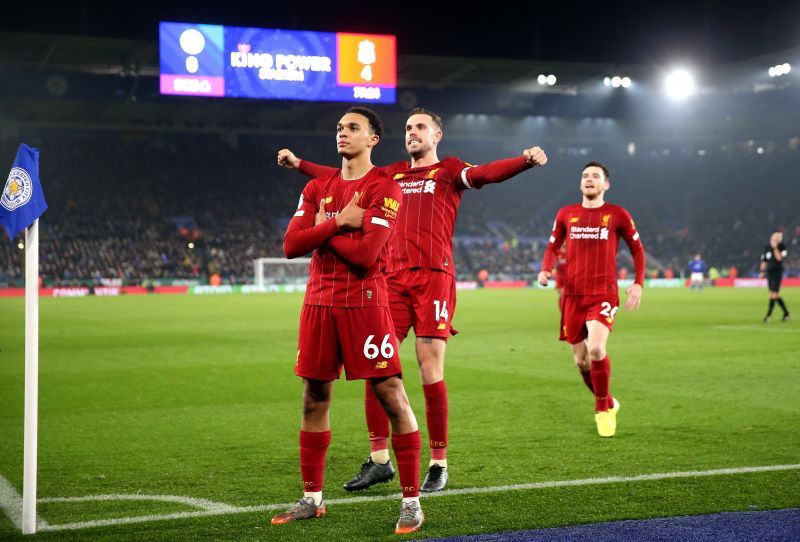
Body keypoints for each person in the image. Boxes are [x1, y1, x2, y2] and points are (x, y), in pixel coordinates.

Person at [278, 107, 547, 492]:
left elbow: (486, 173)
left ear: (437, 135)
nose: (412, 133)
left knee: (428, 365)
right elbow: (339, 175)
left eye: (420, 127)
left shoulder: (449, 170)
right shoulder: (390, 175)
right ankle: (378, 459)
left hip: (433, 277)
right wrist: (300, 164)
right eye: (407, 128)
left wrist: (523, 161)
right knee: (378, 370)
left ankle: (438, 462)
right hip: (390, 279)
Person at [271, 107, 424, 535]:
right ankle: (312, 499)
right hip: (318, 304)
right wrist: (340, 222)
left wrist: (323, 230)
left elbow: (366, 256)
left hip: (365, 305)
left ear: (373, 138)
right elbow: (290, 245)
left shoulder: (385, 187)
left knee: (391, 395)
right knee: (313, 397)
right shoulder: (318, 187)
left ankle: (411, 502)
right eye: (339, 127)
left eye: (353, 127)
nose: (343, 133)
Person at [537, 161, 645, 438]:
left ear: (605, 184)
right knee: (581, 362)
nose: (589, 179)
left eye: (595, 176)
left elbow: (637, 250)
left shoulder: (617, 214)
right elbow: (552, 246)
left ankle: (601, 410)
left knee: (596, 349)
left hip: (603, 293)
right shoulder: (566, 214)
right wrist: (545, 269)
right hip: (572, 296)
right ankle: (609, 400)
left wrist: (638, 283)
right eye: (585, 176)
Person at [760, 230, 790, 323]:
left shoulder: (782, 247)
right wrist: (762, 271)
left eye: (776, 238)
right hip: (769, 272)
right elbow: (764, 260)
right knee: (774, 295)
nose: (774, 239)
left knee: (773, 294)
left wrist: (775, 248)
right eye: (773, 238)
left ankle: (768, 316)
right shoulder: (767, 247)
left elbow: (779, 258)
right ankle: (786, 313)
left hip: (777, 272)